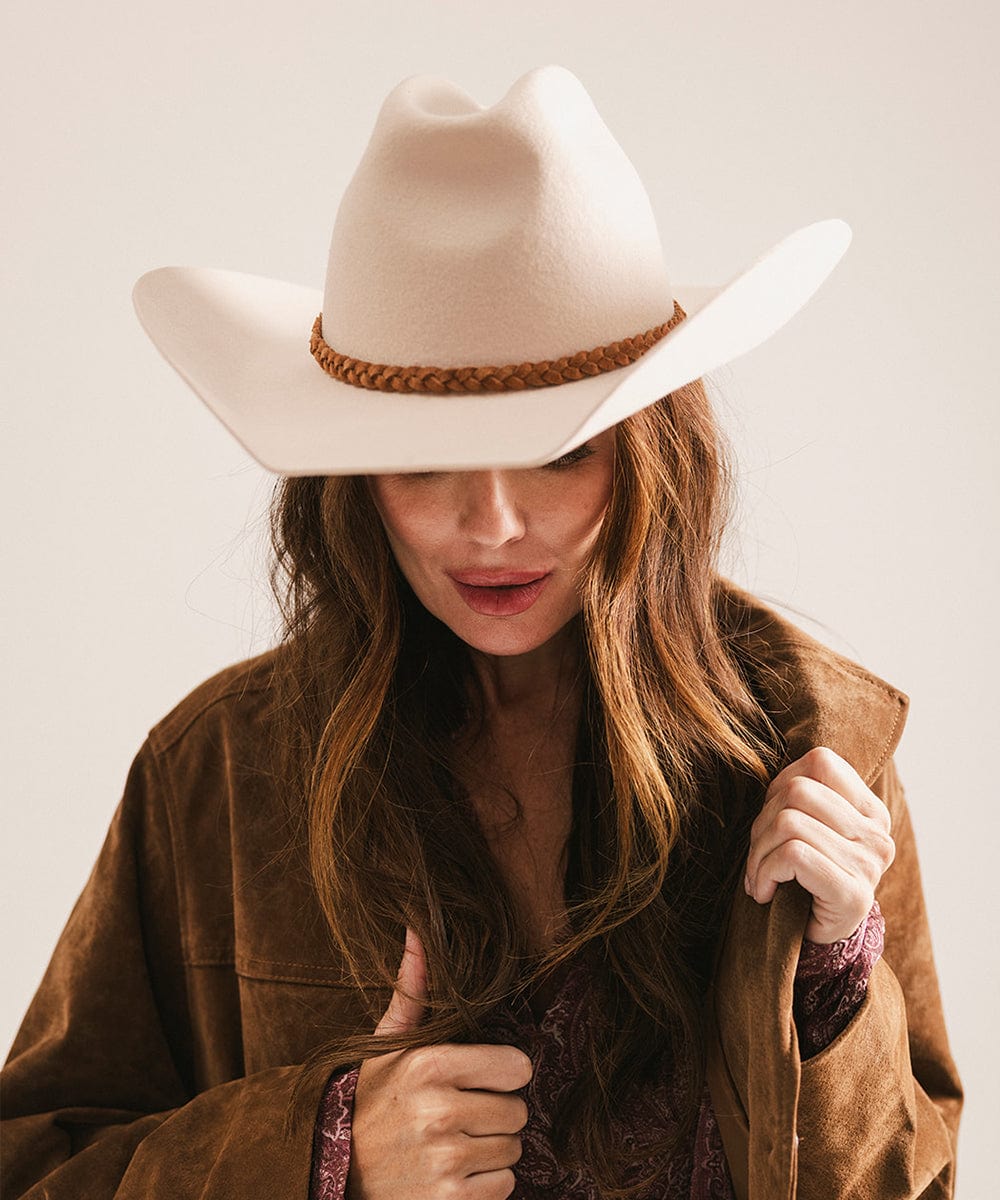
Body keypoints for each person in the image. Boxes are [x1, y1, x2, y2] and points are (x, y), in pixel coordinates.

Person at [1, 65, 961, 1200]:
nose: (491, 525)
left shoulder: (809, 749)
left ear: (651, 457)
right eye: (422, 460)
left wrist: (836, 982)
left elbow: (914, 1180)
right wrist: (325, 1149)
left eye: (561, 452)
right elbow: (35, 1165)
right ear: (352, 483)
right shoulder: (217, 770)